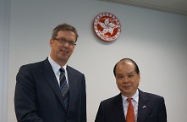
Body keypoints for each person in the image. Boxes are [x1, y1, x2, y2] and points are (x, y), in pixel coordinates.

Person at [14, 23, 86, 122]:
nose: (66, 45)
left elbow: (81, 116)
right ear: (51, 42)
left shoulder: (78, 77)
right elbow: (26, 115)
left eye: (71, 42)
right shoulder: (29, 72)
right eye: (62, 40)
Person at [95, 58, 167, 122]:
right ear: (116, 79)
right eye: (120, 77)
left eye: (130, 76)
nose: (126, 81)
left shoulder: (156, 103)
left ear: (138, 76)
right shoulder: (105, 107)